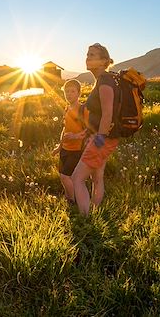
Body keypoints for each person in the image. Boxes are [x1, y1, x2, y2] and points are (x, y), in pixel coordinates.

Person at [72, 43, 119, 216]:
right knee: (97, 177)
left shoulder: (105, 81)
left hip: (102, 139)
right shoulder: (103, 80)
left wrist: (99, 140)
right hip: (104, 137)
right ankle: (94, 213)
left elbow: (108, 114)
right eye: (87, 54)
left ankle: (86, 220)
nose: (88, 57)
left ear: (103, 61)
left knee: (77, 178)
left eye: (92, 55)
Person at [51, 79, 86, 203]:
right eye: (67, 91)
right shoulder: (67, 109)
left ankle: (72, 200)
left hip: (76, 150)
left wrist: (75, 137)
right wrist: (59, 147)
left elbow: (90, 130)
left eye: (72, 91)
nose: (69, 94)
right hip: (65, 149)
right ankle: (68, 197)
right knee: (63, 177)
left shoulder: (83, 109)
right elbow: (64, 129)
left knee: (65, 176)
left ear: (79, 93)